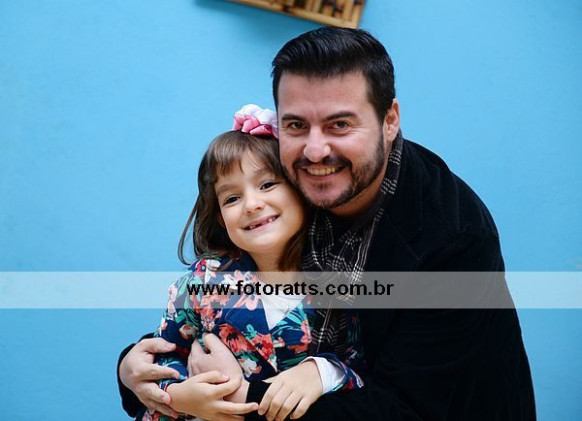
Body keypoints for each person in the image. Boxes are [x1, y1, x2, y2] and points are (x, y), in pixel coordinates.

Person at [119, 28, 536, 421]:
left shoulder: (453, 241)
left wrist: (241, 398)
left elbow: (402, 409)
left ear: (390, 120)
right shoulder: (291, 187)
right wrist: (133, 371)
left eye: (340, 124)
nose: (316, 151)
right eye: (296, 125)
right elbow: (207, 313)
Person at [134, 104, 365, 421]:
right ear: (220, 217)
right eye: (232, 198)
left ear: (301, 189)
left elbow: (361, 365)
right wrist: (179, 395)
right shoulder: (202, 281)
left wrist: (320, 371)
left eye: (267, 185)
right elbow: (162, 354)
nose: (252, 204)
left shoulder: (341, 279)